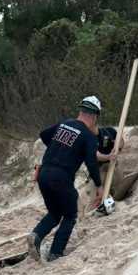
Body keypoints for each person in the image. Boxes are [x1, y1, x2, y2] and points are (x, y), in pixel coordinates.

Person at [27, 96, 104, 262]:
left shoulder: (64, 124)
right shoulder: (88, 136)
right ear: (95, 116)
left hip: (44, 174)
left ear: (81, 111)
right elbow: (91, 162)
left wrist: (59, 147)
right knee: (70, 214)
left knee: (55, 213)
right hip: (61, 177)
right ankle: (56, 252)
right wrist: (99, 185)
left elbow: (43, 134)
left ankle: (36, 235)